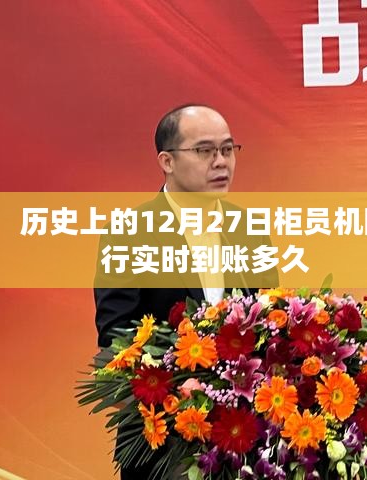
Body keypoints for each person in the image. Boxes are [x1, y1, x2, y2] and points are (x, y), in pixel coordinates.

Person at [94, 104, 278, 478]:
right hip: (164, 445)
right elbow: (116, 338)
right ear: (167, 161)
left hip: (242, 442)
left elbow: (271, 318)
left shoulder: (248, 230)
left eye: (227, 149)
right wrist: (178, 391)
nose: (221, 162)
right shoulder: (129, 234)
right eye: (204, 150)